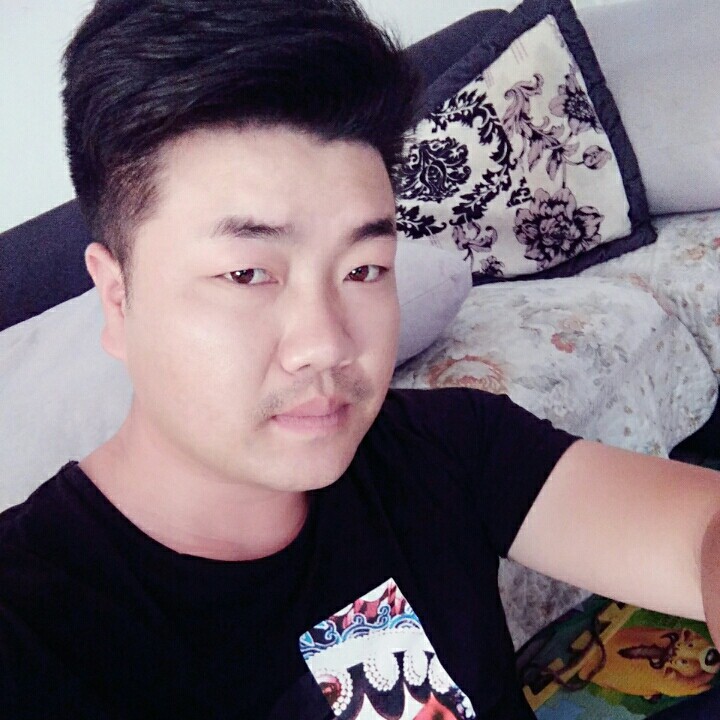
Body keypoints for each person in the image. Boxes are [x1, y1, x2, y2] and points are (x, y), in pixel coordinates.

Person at [1, 0, 719, 718]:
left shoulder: (440, 449)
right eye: (247, 274)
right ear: (117, 299)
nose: (328, 342)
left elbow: (700, 534)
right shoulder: (33, 627)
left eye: (364, 269)